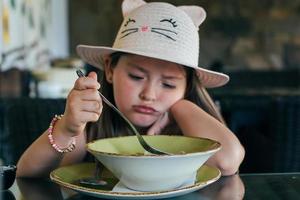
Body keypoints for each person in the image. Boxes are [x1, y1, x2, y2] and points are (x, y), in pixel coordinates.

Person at [16, 0, 244, 177]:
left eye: (168, 84)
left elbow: (227, 161)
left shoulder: (192, 127)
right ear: (110, 69)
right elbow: (27, 173)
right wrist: (67, 127)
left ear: (187, 85)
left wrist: (182, 105)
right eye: (136, 76)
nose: (149, 95)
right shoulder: (94, 125)